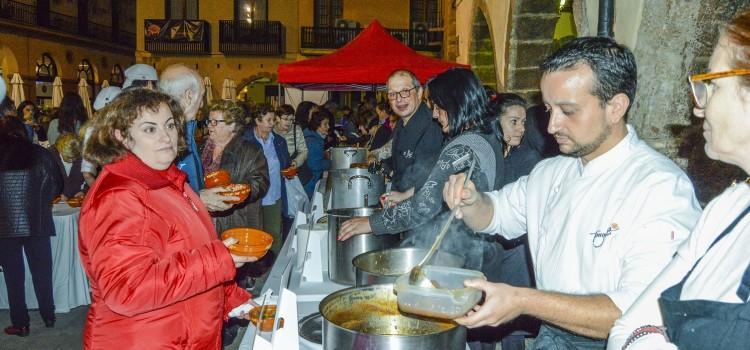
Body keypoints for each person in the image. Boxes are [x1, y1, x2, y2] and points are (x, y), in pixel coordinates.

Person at [441, 37, 703, 349]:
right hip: (551, 335)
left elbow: (642, 309)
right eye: (549, 109)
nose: (551, 125)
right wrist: (472, 201)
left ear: (616, 107)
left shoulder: (660, 187)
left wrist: (524, 300)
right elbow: (497, 213)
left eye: (568, 110)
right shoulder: (551, 172)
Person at [608, 10, 750, 350]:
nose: (698, 108)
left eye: (712, 85)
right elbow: (627, 326)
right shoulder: (728, 208)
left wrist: (652, 336)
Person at [78, 88, 256, 349]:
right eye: (150, 129)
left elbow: (191, 252)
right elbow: (128, 289)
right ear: (122, 137)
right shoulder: (119, 195)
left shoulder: (167, 180)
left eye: (170, 125)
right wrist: (220, 259)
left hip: (186, 333)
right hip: (145, 339)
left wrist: (233, 298)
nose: (166, 137)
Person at [0, 115, 62, 337]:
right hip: (37, 221)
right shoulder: (40, 153)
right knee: (42, 272)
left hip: (4, 226)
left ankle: (21, 323)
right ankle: (48, 315)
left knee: (13, 277)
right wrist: (42, 200)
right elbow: (57, 185)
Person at [159, 64, 235, 212]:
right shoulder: (164, 137)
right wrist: (198, 198)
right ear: (188, 96)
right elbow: (157, 196)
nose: (201, 104)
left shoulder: (185, 128)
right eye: (201, 97)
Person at [202, 100, 269, 234]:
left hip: (235, 219)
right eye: (208, 121)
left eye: (215, 122)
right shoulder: (200, 147)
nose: (210, 125)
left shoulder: (251, 150)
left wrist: (235, 192)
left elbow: (261, 183)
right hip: (203, 218)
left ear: (232, 125)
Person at [381, 69, 443, 197]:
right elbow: (398, 159)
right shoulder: (400, 124)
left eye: (405, 91)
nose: (398, 99)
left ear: (419, 92)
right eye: (392, 94)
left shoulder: (431, 125)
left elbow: (424, 179)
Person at [245, 104, 291, 257]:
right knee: (255, 233)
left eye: (273, 120)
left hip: (274, 194)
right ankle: (256, 266)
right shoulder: (246, 141)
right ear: (258, 121)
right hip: (254, 197)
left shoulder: (278, 141)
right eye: (269, 120)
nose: (273, 123)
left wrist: (288, 170)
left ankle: (274, 267)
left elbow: (286, 163)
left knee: (274, 232)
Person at [491, 93, 543, 188]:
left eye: (523, 122)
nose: (522, 128)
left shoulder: (528, 159)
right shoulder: (485, 155)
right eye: (514, 121)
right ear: (495, 122)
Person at [80, 86, 122, 187]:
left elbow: (86, 173)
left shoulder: (93, 130)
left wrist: (98, 192)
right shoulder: (133, 128)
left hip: (109, 186)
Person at [302, 109, 332, 197]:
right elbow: (314, 165)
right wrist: (331, 162)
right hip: (310, 182)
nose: (328, 127)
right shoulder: (313, 141)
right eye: (325, 124)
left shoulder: (313, 137)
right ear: (317, 126)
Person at [50, 133, 86, 200]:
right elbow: (43, 183)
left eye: (75, 157)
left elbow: (93, 178)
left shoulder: (83, 154)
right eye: (69, 157)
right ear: (60, 150)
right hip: (56, 203)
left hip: (76, 202)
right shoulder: (49, 157)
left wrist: (84, 191)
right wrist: (57, 195)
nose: (72, 160)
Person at [274, 104, 308, 168]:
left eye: (291, 119)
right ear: (278, 118)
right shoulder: (271, 131)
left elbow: (304, 151)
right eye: (286, 119)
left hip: (291, 168)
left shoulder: (296, 129)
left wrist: (296, 162)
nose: (289, 122)